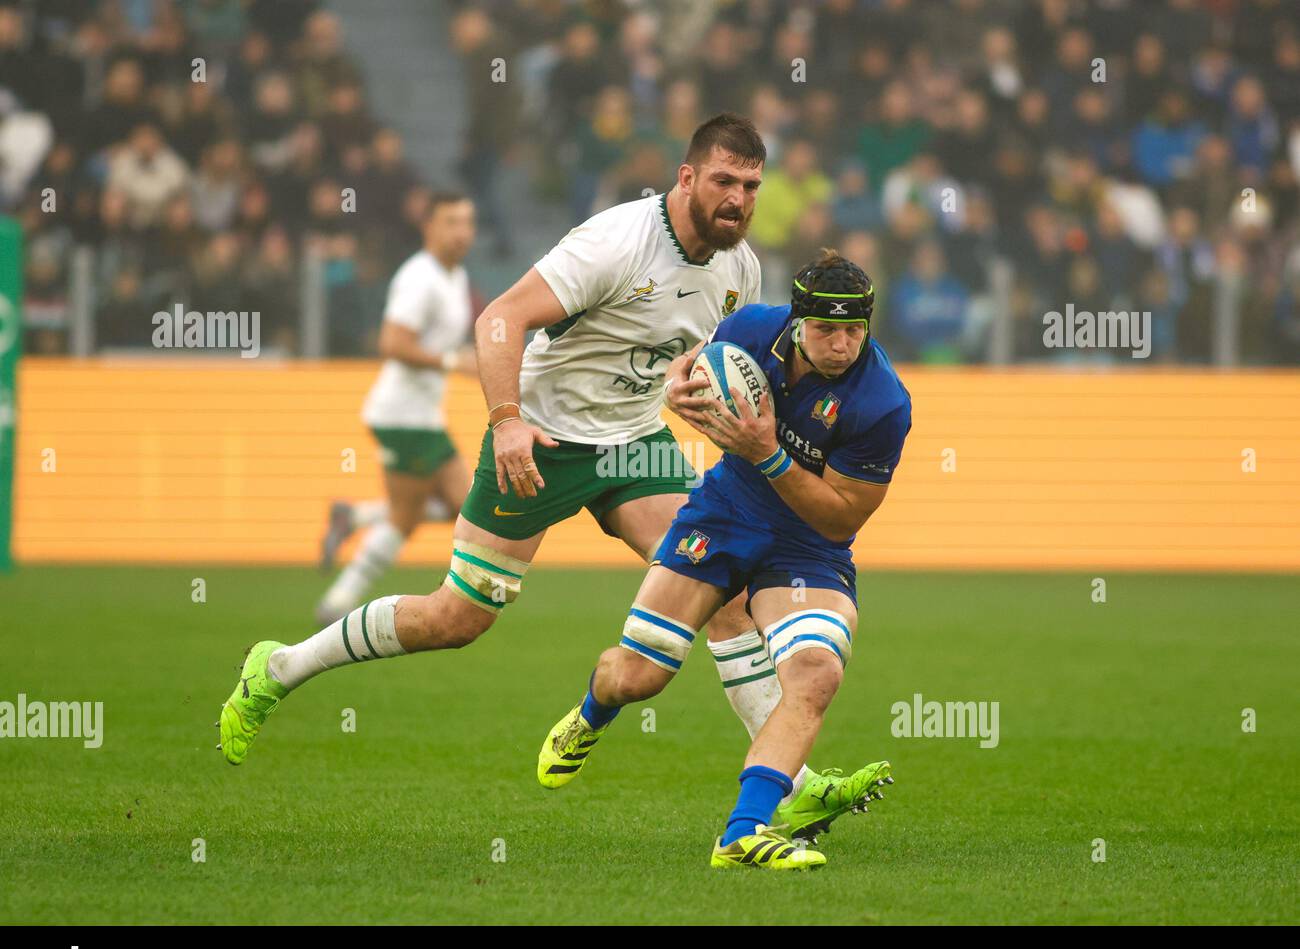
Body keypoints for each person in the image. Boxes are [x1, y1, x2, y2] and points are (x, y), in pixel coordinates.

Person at [219, 115, 885, 840]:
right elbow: (500, 319)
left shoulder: (740, 270)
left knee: (723, 591)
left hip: (634, 445)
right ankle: (280, 665)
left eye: (751, 185)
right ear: (686, 177)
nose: (738, 199)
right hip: (543, 437)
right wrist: (506, 419)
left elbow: (694, 363)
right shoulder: (616, 242)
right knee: (457, 618)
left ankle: (790, 788)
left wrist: (681, 390)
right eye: (724, 181)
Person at [537, 249, 910, 869]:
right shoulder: (750, 330)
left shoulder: (882, 403)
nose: (842, 345)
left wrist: (768, 454)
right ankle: (589, 715)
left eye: (854, 330)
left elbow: (842, 516)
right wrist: (681, 387)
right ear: (796, 322)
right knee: (636, 677)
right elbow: (692, 367)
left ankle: (743, 833)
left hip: (807, 547)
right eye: (826, 329)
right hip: (723, 516)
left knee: (816, 676)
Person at [316, 192, 478, 623]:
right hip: (403, 416)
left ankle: (354, 517)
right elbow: (392, 343)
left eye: (467, 222)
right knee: (426, 514)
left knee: (456, 508)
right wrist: (449, 362)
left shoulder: (454, 276)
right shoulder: (419, 277)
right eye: (451, 222)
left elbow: (439, 341)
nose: (462, 232)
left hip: (420, 416)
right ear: (428, 226)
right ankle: (337, 601)